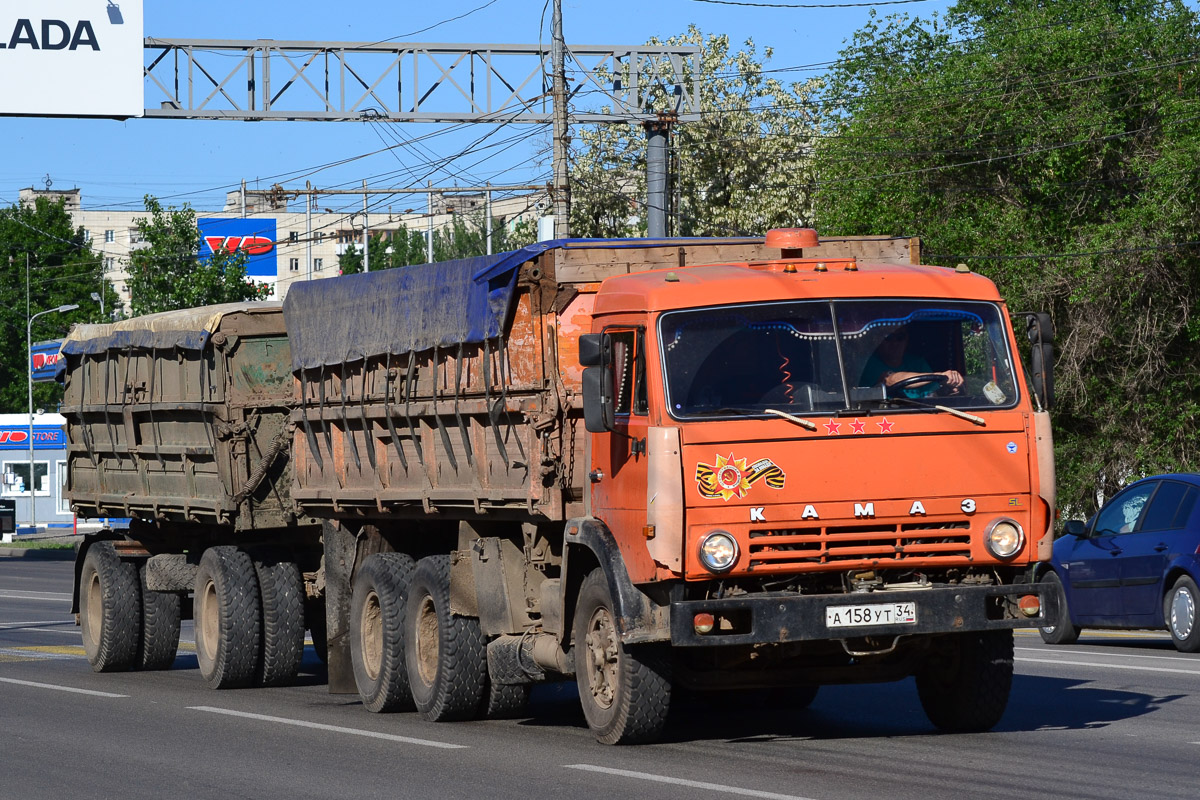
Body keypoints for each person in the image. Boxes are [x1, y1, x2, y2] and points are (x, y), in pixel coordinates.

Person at [859, 325, 963, 397]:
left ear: (907, 340)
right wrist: (939, 375)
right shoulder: (869, 363)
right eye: (888, 337)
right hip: (883, 418)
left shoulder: (917, 363)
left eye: (900, 337)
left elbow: (931, 394)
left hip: (920, 417)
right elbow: (890, 380)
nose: (895, 343)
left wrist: (947, 389)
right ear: (878, 340)